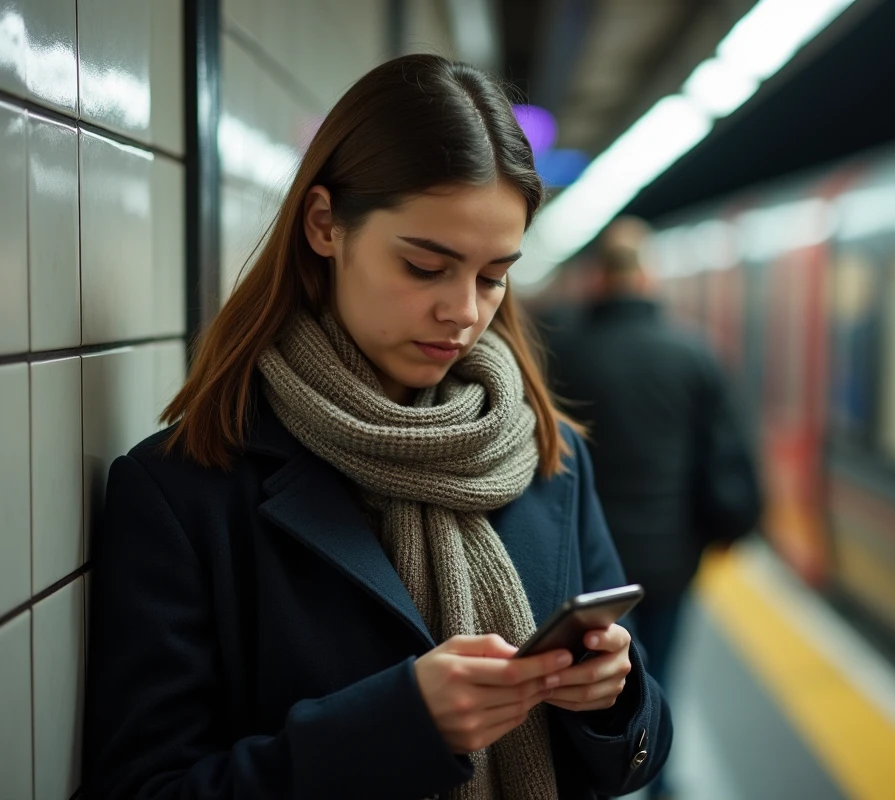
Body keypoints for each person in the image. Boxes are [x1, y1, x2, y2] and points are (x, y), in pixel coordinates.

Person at [83, 55, 670, 800]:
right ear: (326, 225)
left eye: (493, 276)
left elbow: (639, 753)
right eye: (427, 267)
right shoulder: (184, 490)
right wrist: (398, 726)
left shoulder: (546, 456)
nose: (464, 311)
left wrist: (614, 697)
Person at [545, 218, 761, 799]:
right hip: (668, 562)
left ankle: (595, 781)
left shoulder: (560, 354)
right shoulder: (695, 354)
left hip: (581, 569)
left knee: (586, 687)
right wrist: (726, 532)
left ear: (596, 278)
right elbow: (728, 465)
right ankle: (656, 778)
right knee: (658, 676)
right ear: (646, 274)